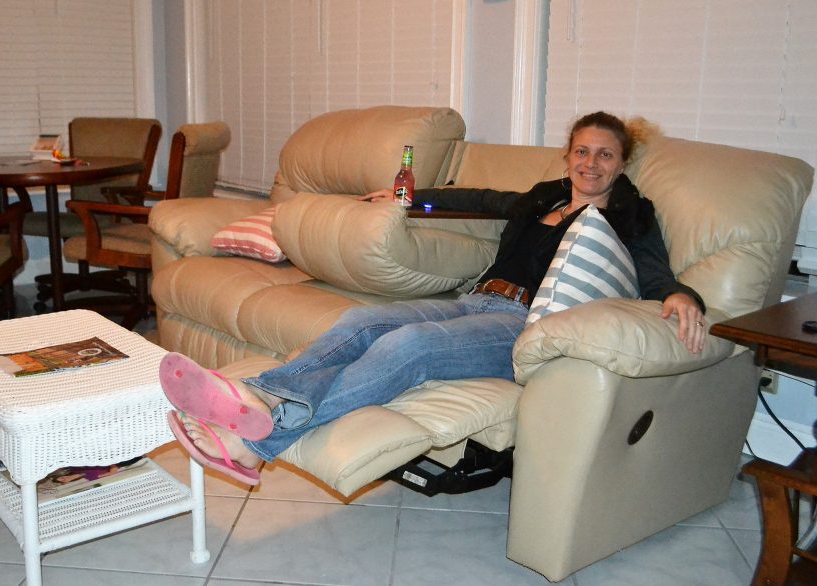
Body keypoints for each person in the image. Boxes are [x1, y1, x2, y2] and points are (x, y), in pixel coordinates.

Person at [160, 111, 707, 486]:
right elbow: (476, 197)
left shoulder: (631, 215)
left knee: (414, 347)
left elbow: (654, 270)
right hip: (478, 301)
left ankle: (257, 443)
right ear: (567, 156)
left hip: (526, 327)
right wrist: (409, 199)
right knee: (361, 322)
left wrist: (682, 296)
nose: (592, 164)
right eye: (582, 151)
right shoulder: (541, 198)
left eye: (605, 155)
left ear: (620, 162)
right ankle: (254, 396)